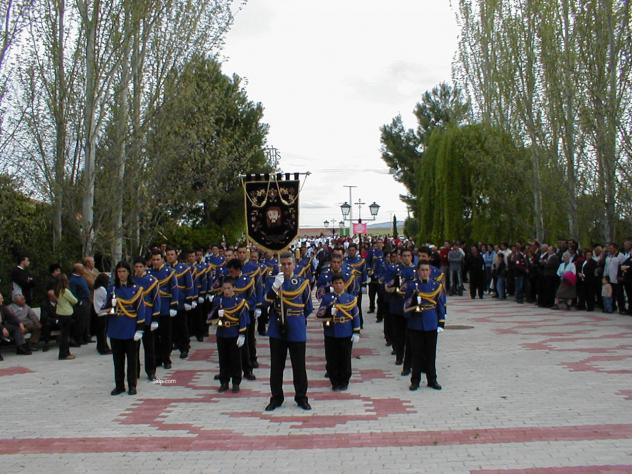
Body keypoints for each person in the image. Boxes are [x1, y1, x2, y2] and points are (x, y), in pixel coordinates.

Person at [264, 251, 313, 411]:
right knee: (276, 366)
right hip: (277, 327)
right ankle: (276, 397)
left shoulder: (302, 282)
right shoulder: (272, 280)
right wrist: (275, 287)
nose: (286, 267)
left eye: (289, 264)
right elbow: (265, 302)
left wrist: (297, 320)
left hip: (296, 327)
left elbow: (308, 307)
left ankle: (301, 397)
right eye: (283, 264)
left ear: (294, 265)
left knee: (299, 365)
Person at [105, 261, 145, 396]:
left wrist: (140, 328)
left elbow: (140, 309)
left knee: (132, 360)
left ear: (129, 273)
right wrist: (110, 306)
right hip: (116, 327)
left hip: (130, 328)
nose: (121, 274)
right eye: (119, 272)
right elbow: (106, 308)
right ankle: (119, 385)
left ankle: (132, 385)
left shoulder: (136, 289)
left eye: (124, 271)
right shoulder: (112, 289)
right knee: (118, 360)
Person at [404, 262, 446, 391]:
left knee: (431, 354)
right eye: (422, 270)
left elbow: (440, 304)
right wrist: (413, 299)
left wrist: (441, 322)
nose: (424, 272)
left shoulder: (436, 286)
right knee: (416, 354)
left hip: (431, 323)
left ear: (430, 271)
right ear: (418, 271)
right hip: (416, 323)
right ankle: (415, 381)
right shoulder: (412, 285)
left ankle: (432, 380)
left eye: (427, 270)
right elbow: (406, 304)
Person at [316, 273, 360, 391]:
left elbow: (355, 315)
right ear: (332, 284)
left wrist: (356, 331)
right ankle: (334, 382)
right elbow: (319, 314)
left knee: (345, 358)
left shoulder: (350, 298)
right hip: (331, 332)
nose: (338, 285)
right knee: (332, 359)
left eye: (340, 283)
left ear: (344, 284)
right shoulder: (327, 298)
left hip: (346, 331)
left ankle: (344, 381)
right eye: (336, 283)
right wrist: (329, 311)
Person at [208, 277, 248, 393]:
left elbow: (243, 318)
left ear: (234, 288)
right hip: (222, 333)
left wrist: (242, 334)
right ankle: (224, 382)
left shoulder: (239, 302)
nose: (226, 291)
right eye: (224, 288)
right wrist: (217, 313)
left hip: (234, 333)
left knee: (236, 360)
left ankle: (236, 382)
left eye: (229, 288)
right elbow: (210, 317)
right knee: (223, 359)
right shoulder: (218, 300)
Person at [148, 249, 179, 370]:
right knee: (154, 336)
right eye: (154, 259)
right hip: (152, 309)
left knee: (166, 336)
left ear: (162, 260)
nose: (156, 262)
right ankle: (157, 358)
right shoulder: (149, 273)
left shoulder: (169, 272)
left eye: (158, 259)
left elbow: (174, 289)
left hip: (165, 307)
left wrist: (173, 305)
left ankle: (166, 358)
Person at [132, 258, 160, 381]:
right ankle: (135, 371)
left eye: (140, 266)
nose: (138, 269)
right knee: (134, 348)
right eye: (136, 266)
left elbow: (156, 300)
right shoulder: (131, 280)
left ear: (145, 267)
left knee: (149, 347)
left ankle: (151, 371)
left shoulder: (152, 280)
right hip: (134, 317)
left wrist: (155, 318)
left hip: (148, 316)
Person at [165, 248, 194, 359]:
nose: (170, 256)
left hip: (180, 301)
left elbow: (189, 285)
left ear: (176, 255)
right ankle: (172, 345)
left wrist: (188, 300)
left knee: (182, 326)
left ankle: (184, 347)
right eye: (168, 254)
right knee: (170, 327)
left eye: (172, 254)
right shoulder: (165, 269)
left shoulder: (184, 268)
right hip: (168, 301)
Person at [54, 274, 78, 360]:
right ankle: (64, 354)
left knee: (63, 335)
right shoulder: (65, 291)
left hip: (60, 314)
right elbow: (75, 300)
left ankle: (66, 352)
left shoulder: (57, 291)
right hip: (67, 314)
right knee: (66, 336)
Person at [0, 292, 30, 356]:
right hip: (1, 327)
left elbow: (11, 317)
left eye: (2, 298)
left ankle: (20, 347)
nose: (3, 300)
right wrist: (2, 328)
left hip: (2, 326)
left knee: (16, 328)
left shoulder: (2, 307)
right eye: (1, 298)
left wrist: (20, 323)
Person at [69, 264, 92, 345]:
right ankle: (78, 339)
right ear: (78, 270)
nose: (84, 270)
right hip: (80, 304)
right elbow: (73, 293)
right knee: (80, 322)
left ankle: (86, 337)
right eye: (82, 268)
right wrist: (79, 302)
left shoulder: (82, 277)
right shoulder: (73, 280)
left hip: (87, 301)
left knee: (86, 321)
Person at [92, 273, 112, 355]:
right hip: (103, 312)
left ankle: (101, 347)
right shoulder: (102, 289)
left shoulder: (96, 288)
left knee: (100, 333)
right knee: (103, 333)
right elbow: (107, 298)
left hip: (98, 312)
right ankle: (103, 348)